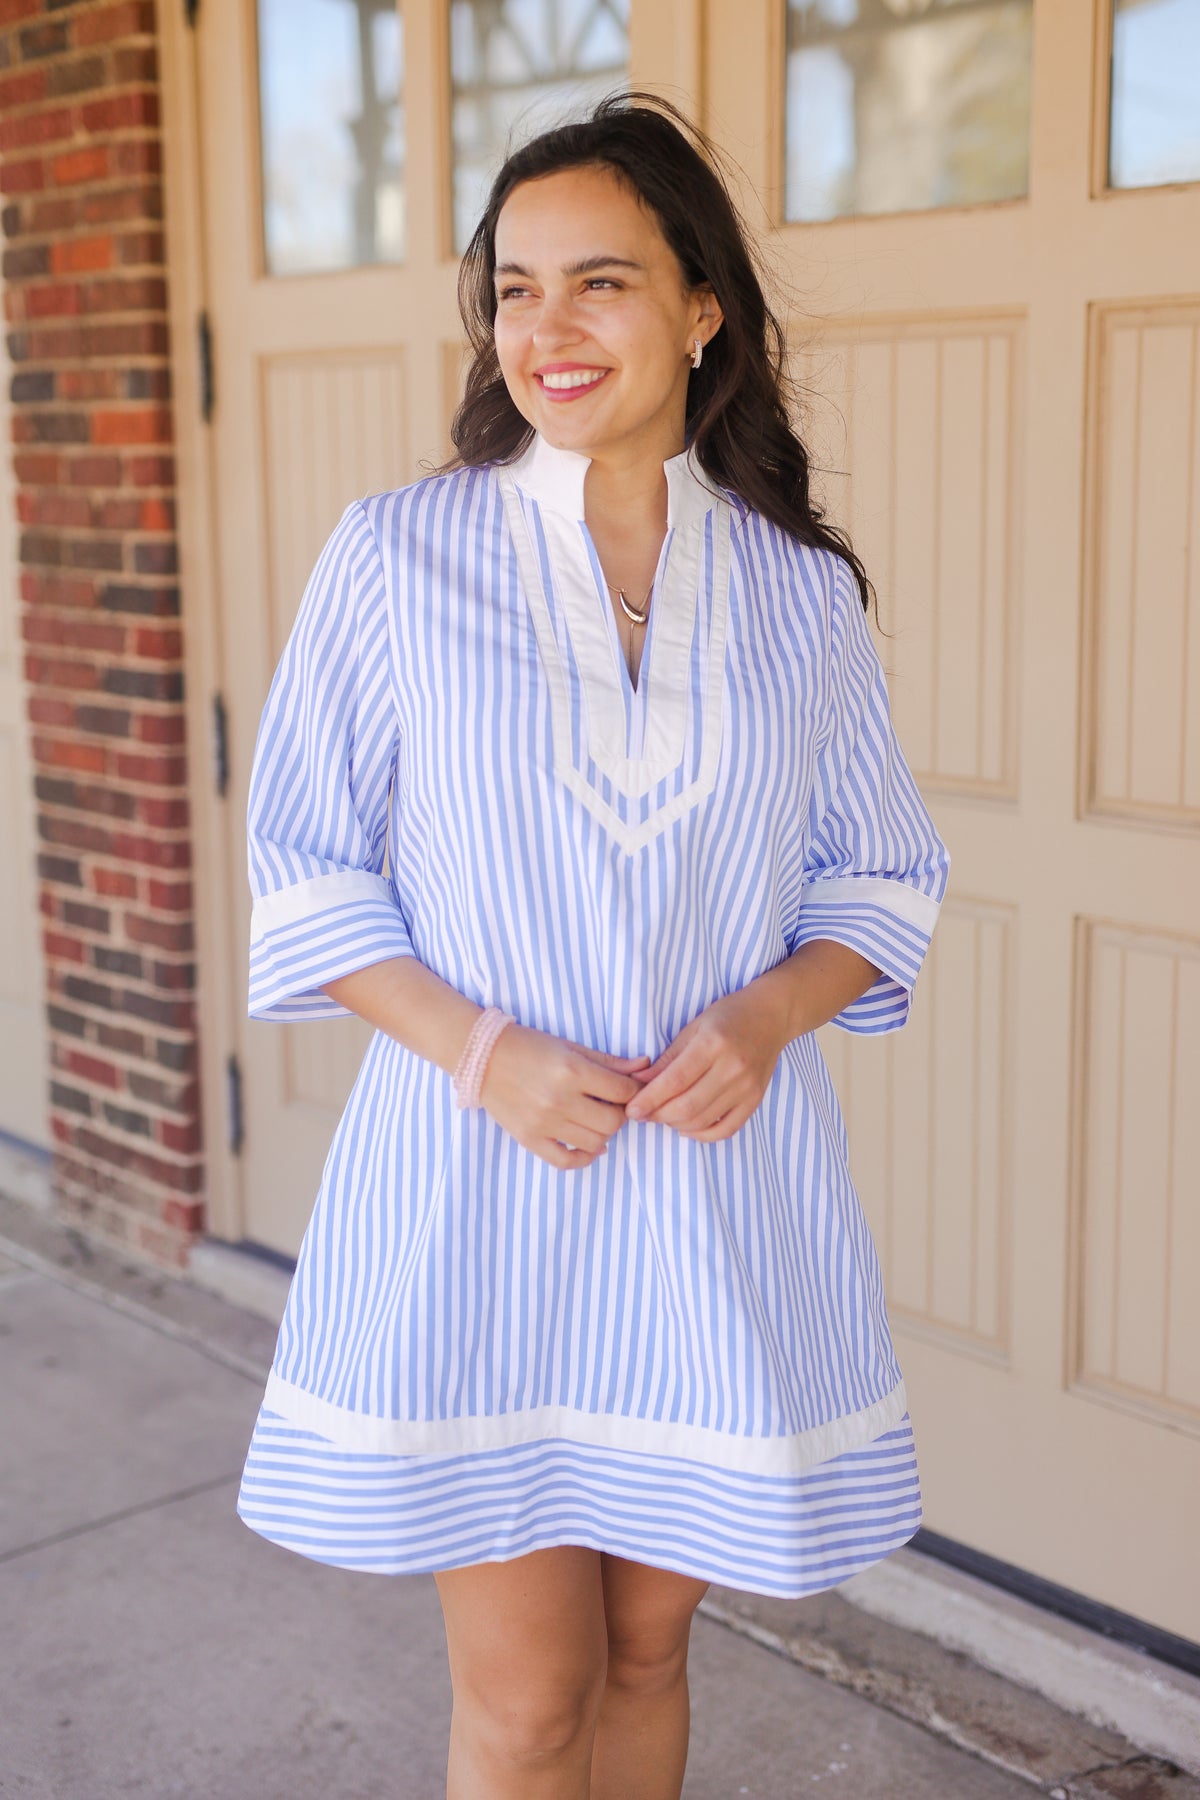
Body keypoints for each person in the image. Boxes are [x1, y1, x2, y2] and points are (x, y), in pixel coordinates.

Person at [236, 93, 950, 1800]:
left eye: (602, 282)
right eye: (516, 286)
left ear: (704, 307)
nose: (546, 329)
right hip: (484, 1193)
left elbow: (881, 876)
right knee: (535, 1698)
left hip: (713, 1205)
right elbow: (306, 871)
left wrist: (772, 1018)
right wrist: (486, 1053)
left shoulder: (793, 593)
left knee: (650, 1653)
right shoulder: (399, 558)